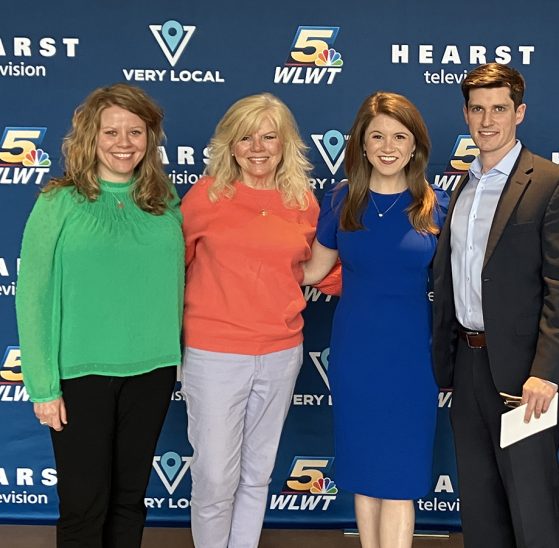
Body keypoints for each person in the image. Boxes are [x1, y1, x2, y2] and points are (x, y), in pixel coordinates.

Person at [16, 83, 183, 547]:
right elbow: (32, 296)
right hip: (79, 375)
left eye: (135, 131)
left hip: (152, 370)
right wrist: (43, 386)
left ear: (150, 138)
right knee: (83, 506)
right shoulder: (58, 202)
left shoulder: (163, 200)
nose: (124, 142)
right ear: (90, 136)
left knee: (130, 500)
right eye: (111, 131)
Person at [431, 63, 559, 548]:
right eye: (477, 109)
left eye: (499, 108)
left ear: (518, 113)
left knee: (532, 511)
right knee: (481, 510)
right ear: (465, 113)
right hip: (470, 365)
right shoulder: (463, 187)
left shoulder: (552, 184)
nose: (487, 120)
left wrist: (548, 372)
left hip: (527, 378)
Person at [181, 93, 335, 548]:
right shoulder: (204, 197)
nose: (258, 147)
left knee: (257, 472)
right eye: (246, 137)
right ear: (230, 144)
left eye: (270, 136)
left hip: (280, 352)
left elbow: (311, 268)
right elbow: (173, 270)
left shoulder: (303, 201)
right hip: (213, 354)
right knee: (213, 477)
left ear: (286, 143)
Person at [302, 91, 448, 548]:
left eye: (399, 136)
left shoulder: (437, 205)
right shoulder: (341, 201)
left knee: (402, 476)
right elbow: (311, 271)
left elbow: (465, 283)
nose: (388, 146)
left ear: (415, 146)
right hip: (355, 355)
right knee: (364, 471)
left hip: (413, 358)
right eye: (377, 136)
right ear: (361, 145)